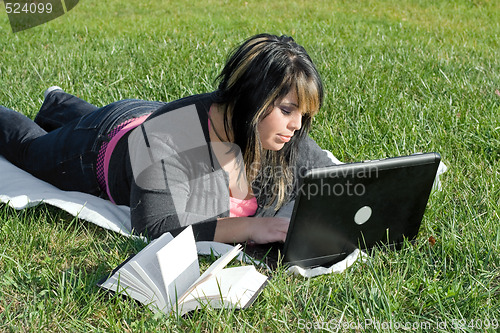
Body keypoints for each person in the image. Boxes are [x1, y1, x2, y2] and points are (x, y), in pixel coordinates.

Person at [0, 33, 336, 244]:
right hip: (102, 146)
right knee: (28, 150)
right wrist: (250, 229)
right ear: (252, 100)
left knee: (83, 119)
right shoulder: (173, 137)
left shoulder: (281, 134)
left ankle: (57, 102)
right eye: (289, 109)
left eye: (304, 114)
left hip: (148, 119)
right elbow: (154, 224)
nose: (297, 125)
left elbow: (337, 178)